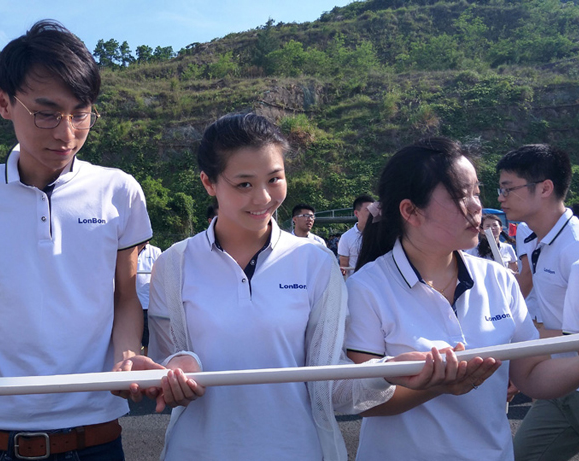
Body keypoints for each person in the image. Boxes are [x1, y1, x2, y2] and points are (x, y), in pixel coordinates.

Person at [125, 114, 475, 461]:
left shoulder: (315, 262)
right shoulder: (174, 264)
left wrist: (388, 372)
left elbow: (331, 387)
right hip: (197, 451)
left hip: (299, 449)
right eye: (244, 184)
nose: (263, 197)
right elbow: (165, 361)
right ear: (209, 183)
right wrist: (171, 375)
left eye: (274, 179)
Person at [0, 20, 152, 461]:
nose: (66, 134)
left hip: (96, 435)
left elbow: (125, 295)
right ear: (4, 103)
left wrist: (126, 354)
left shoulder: (118, 190)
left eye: (80, 113)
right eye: (46, 113)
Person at [345, 137, 579, 460]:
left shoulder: (497, 278)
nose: (476, 206)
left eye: (476, 193)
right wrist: (438, 385)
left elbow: (532, 374)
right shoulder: (367, 288)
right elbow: (362, 400)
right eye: (460, 195)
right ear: (411, 211)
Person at [496, 144, 579, 460]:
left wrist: (518, 350)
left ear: (545, 188)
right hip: (559, 387)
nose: (501, 198)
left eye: (508, 189)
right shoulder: (534, 238)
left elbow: (574, 339)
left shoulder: (574, 249)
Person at [136, 241, 162, 356]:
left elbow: (161, 275)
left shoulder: (155, 251)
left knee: (148, 342)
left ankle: (145, 366)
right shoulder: (125, 251)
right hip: (128, 307)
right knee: (131, 342)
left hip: (148, 306)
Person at [338, 194, 374, 276]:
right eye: (368, 210)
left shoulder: (381, 235)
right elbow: (344, 266)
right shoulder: (346, 237)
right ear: (356, 213)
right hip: (356, 280)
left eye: (373, 209)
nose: (372, 213)